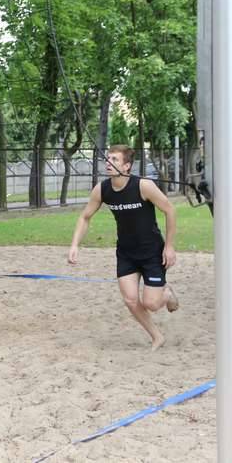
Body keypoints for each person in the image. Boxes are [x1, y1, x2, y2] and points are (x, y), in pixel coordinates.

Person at [68, 144, 179, 351]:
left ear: (127, 166)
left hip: (152, 252)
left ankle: (167, 293)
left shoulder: (143, 186)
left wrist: (169, 246)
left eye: (114, 159)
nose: (108, 162)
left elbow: (170, 210)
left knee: (151, 304)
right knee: (130, 299)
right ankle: (157, 336)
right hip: (126, 253)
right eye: (107, 158)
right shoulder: (102, 189)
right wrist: (75, 245)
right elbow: (85, 217)